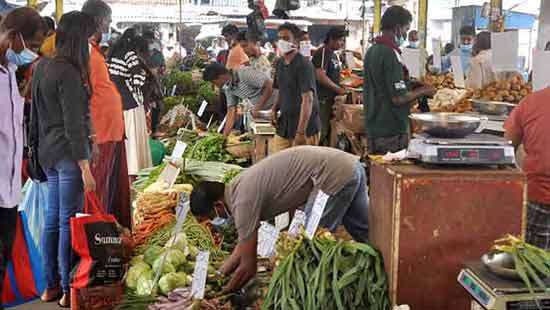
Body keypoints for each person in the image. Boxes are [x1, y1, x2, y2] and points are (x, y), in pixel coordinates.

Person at [190, 146, 369, 291]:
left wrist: (223, 291)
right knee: (366, 233)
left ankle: (328, 295)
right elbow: (242, 246)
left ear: (218, 206)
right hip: (349, 166)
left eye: (211, 217)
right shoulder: (237, 187)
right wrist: (219, 274)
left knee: (311, 250)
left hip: (331, 178)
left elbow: (248, 266)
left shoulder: (242, 203)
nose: (215, 221)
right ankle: (384, 280)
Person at [32, 11, 96, 307]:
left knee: (52, 220)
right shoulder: (69, 72)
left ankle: (50, 287)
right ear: (80, 38)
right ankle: (69, 289)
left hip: (47, 152)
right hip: (69, 155)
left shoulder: (43, 66)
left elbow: (33, 117)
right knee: (67, 222)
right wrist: (85, 167)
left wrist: (34, 152)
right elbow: (74, 123)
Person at [0, 7, 45, 307]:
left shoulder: (10, 73)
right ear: (14, 37)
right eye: (33, 45)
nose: (34, 52)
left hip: (8, 187)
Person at [82, 0, 131, 228]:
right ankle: (97, 237)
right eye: (109, 20)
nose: (110, 25)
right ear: (99, 20)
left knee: (109, 189)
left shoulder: (93, 49)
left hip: (110, 131)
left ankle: (109, 231)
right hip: (99, 133)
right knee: (97, 191)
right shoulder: (83, 50)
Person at [363, 6, 436, 155]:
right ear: (397, 28)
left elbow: (384, 84)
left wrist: (411, 84)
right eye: (406, 29)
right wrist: (424, 90)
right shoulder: (390, 54)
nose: (405, 34)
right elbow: (398, 98)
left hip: (374, 127)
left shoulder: (372, 50)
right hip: (391, 130)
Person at [504, 88, 550, 250]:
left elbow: (506, 150)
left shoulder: (531, 102)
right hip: (540, 197)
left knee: (536, 265)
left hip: (538, 201)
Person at [107, 28, 153, 177]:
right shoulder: (130, 55)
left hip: (117, 104)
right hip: (131, 103)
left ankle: (125, 172)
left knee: (126, 143)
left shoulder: (113, 54)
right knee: (134, 141)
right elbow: (138, 81)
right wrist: (144, 72)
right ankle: (134, 173)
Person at [272, 22, 321, 151]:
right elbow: (280, 90)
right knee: (279, 165)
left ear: (296, 41)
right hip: (285, 125)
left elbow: (308, 99)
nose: (282, 41)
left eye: (286, 38)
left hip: (305, 128)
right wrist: (274, 109)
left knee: (301, 169)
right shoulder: (280, 64)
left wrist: (300, 133)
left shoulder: (304, 65)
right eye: (280, 38)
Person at [203, 62, 275, 136]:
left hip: (274, 107)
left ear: (220, 76)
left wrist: (258, 106)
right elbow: (231, 110)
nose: (215, 86)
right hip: (260, 113)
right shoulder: (228, 87)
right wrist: (224, 136)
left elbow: (270, 84)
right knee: (262, 137)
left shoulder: (244, 73)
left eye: (214, 82)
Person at [312, 27, 347, 146]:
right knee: (321, 131)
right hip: (322, 99)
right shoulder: (323, 52)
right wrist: (338, 89)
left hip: (330, 99)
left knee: (327, 131)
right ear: (331, 39)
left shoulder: (333, 54)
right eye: (340, 40)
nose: (342, 43)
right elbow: (320, 76)